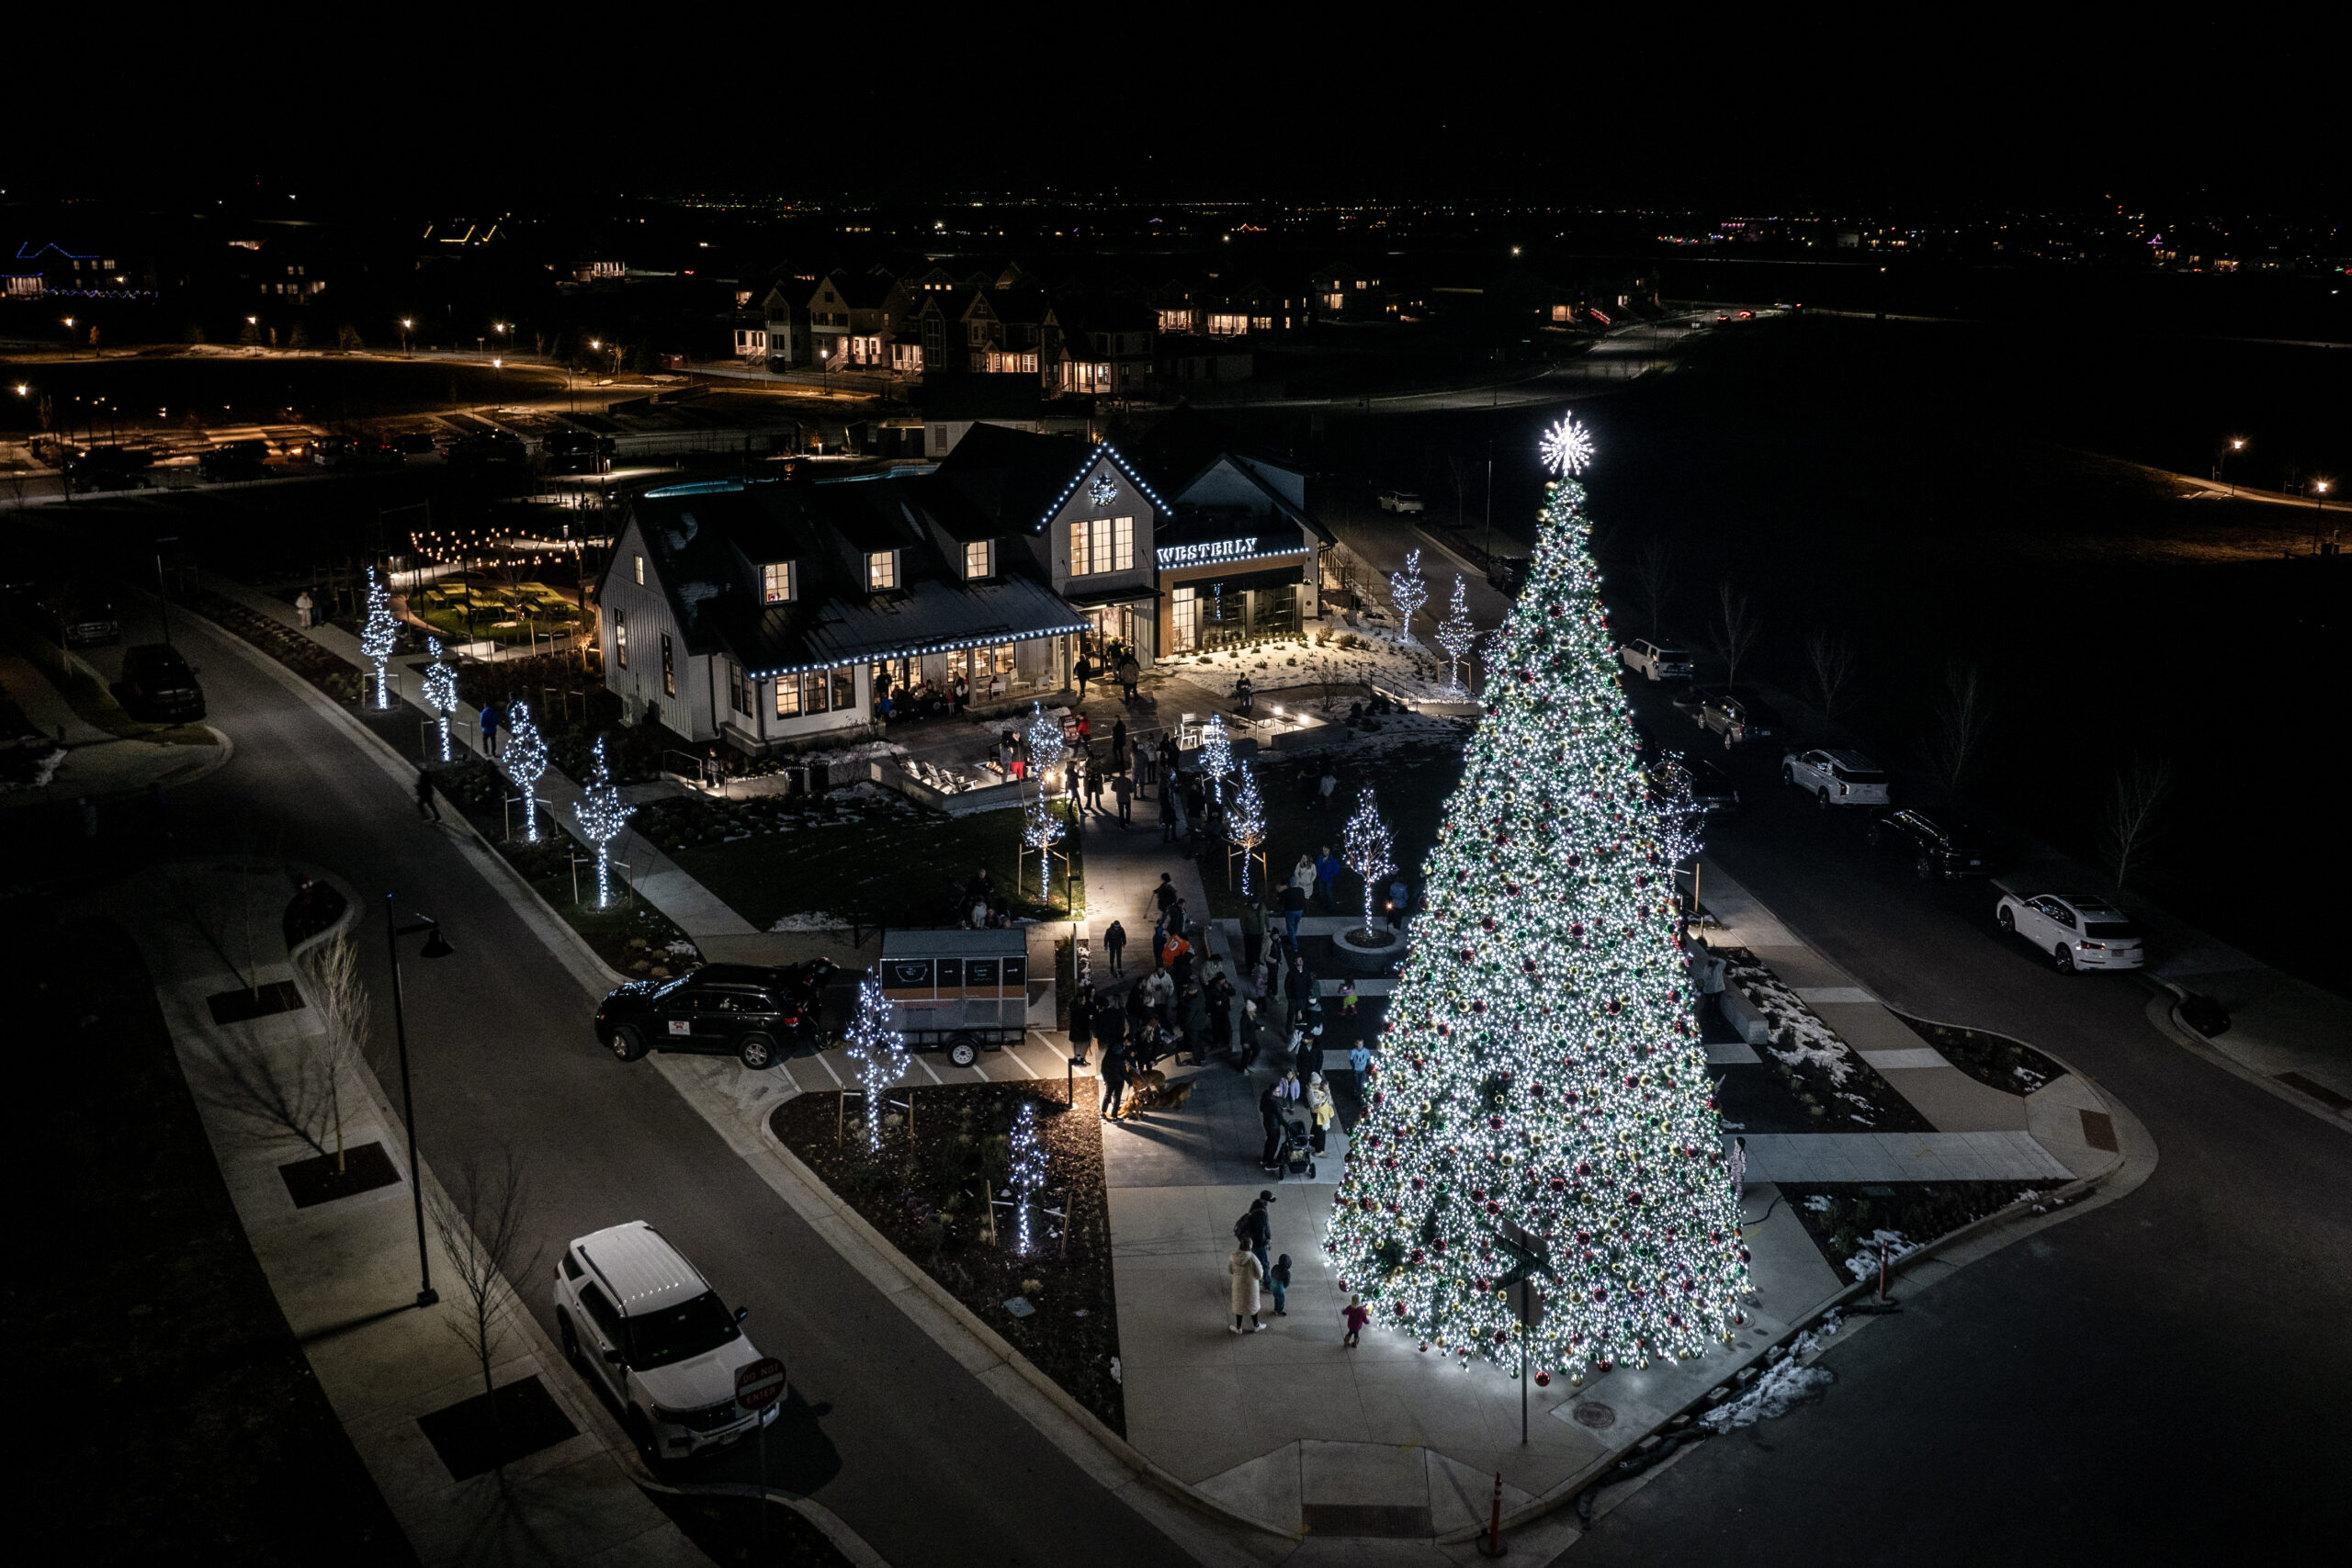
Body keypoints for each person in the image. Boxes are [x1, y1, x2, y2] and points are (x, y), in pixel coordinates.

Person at [1228, 1245, 1265, 1334]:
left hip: (1238, 1284)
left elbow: (1230, 1270)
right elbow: (1259, 1274)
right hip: (1251, 1286)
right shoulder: (1252, 1258)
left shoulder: (1233, 1256)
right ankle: (1256, 1325)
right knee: (1252, 1305)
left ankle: (1238, 1328)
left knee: (1239, 1305)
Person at [1306, 1072, 1335, 1155]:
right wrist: (1325, 1096)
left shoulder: (1312, 1088)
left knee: (1315, 1128)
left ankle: (1312, 1143)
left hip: (1317, 1113)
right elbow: (1316, 1103)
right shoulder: (1313, 1092)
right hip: (1319, 1113)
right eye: (1318, 1084)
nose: (1320, 1085)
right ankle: (1319, 1150)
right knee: (1320, 1132)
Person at [1101, 1042, 1130, 1121]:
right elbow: (1124, 1073)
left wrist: (1105, 1079)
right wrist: (1129, 1081)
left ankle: (1102, 1113)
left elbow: (1102, 1070)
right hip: (1118, 1081)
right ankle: (1114, 1117)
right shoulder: (1120, 1061)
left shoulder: (1106, 1058)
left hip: (1109, 1080)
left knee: (1107, 1095)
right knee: (1117, 1098)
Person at [1069, 980, 1095, 1066]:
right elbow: (1084, 1020)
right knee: (1084, 1044)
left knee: (1078, 1044)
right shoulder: (1082, 1009)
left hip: (1075, 1030)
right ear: (1081, 1000)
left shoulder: (1074, 1007)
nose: (1085, 1000)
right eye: (1084, 999)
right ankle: (1081, 1060)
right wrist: (1089, 1018)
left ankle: (1079, 1059)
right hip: (1081, 1029)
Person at [1316, 845, 1343, 914]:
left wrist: (1330, 875)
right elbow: (1317, 866)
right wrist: (1318, 873)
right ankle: (1324, 906)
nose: (1324, 852)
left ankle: (1331, 908)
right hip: (1321, 878)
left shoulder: (1332, 859)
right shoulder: (1320, 858)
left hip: (1329, 879)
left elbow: (1337, 869)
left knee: (1329, 893)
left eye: (1326, 850)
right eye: (1323, 850)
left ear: (1329, 850)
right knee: (1321, 892)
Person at [1280, 879, 1307, 945]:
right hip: (1299, 911)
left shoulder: (1287, 891)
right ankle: (1292, 937)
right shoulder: (1301, 890)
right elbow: (1303, 900)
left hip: (1290, 911)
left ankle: (1294, 943)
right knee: (1295, 925)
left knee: (1290, 927)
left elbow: (1283, 901)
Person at [1268, 1253, 1292, 1317]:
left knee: (1276, 1298)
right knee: (1281, 1300)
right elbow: (1286, 1282)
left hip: (1273, 1286)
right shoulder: (1287, 1272)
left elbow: (1272, 1272)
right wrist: (1285, 1286)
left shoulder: (1275, 1266)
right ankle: (1279, 1311)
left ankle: (1276, 1309)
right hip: (1280, 1288)